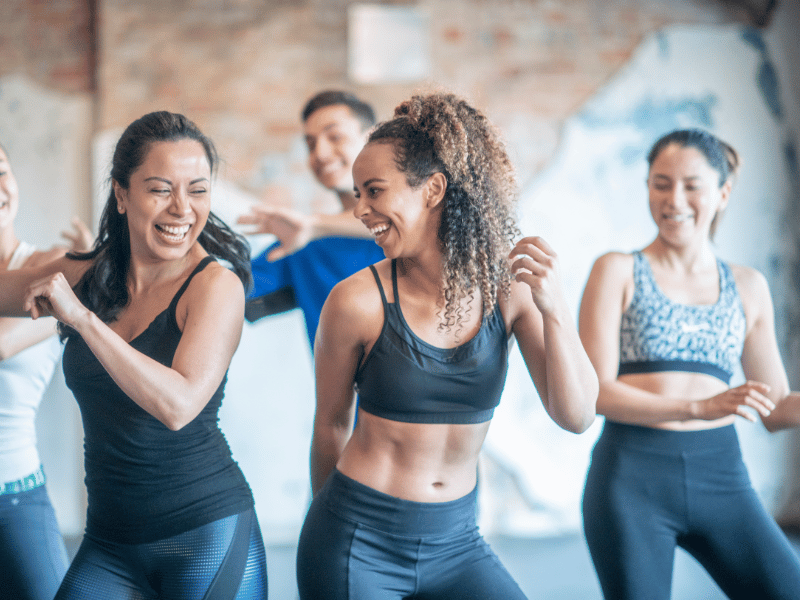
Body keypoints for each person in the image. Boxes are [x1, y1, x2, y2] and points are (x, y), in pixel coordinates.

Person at [295, 92, 598, 600]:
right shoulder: (355, 303)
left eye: (373, 191)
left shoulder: (511, 288)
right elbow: (329, 426)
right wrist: (328, 540)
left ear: (433, 189)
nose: (360, 210)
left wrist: (556, 307)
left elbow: (577, 413)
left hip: (457, 542)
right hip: (356, 537)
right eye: (356, 194)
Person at [0, 112, 268, 598]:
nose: (182, 208)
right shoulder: (94, 273)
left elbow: (178, 405)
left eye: (198, 190)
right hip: (109, 541)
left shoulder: (214, 287)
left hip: (204, 535)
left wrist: (82, 319)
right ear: (122, 195)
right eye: (161, 189)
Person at [579, 128, 800, 600]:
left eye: (691, 184)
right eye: (661, 183)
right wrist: (698, 407)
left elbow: (775, 410)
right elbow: (593, 392)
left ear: (722, 192)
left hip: (722, 477)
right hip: (630, 481)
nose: (674, 199)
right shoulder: (616, 270)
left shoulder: (748, 286)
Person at [0, 142, 94, 600]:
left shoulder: (47, 266)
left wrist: (91, 271)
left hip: (12, 492)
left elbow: (1, 342)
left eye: (1, 171)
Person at [238, 90, 385, 349]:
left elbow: (411, 221)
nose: (321, 153)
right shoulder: (305, 243)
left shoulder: (424, 222)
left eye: (335, 136)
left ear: (372, 139)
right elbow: (231, 291)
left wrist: (315, 225)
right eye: (310, 144)